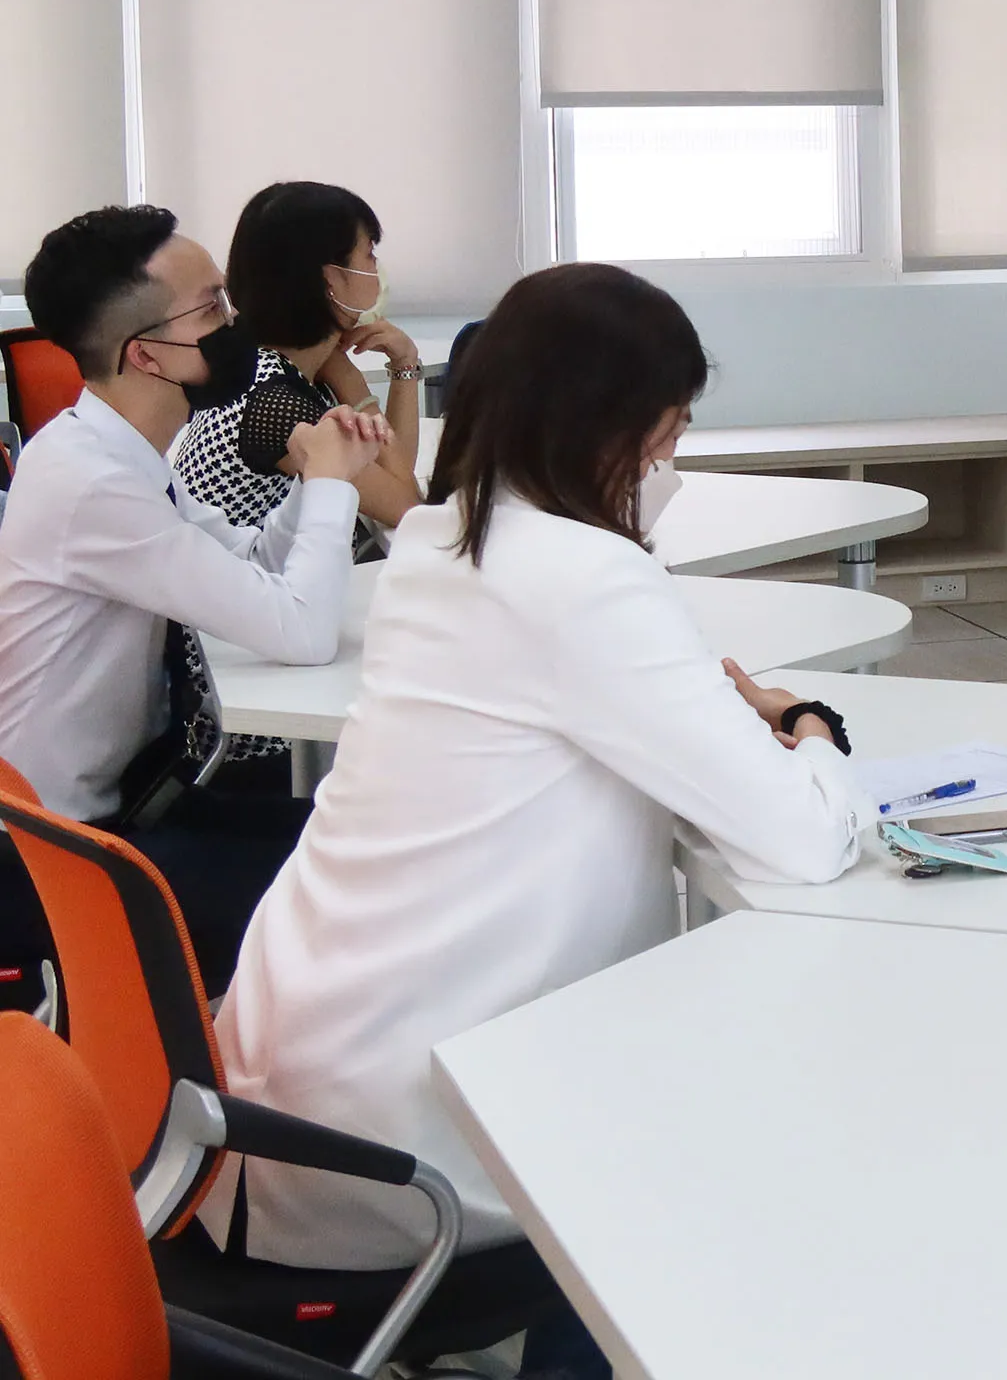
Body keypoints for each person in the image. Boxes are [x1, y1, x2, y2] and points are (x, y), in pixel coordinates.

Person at [210, 263, 867, 1380]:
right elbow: (802, 840)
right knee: (747, 1148)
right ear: (616, 427)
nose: (665, 464)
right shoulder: (585, 576)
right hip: (404, 1146)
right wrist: (809, 729)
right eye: (668, 434)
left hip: (292, 1084)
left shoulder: (438, 541)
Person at [0, 206, 383, 988]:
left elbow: (251, 566)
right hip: (60, 858)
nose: (236, 323)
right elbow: (302, 631)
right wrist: (330, 486)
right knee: (358, 897)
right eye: (211, 308)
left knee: (364, 847)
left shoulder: (118, 455)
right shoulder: (92, 485)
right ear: (146, 354)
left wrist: (313, 478)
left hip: (138, 804)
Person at [174, 182, 426, 539]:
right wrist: (352, 383)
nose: (376, 268)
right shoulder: (274, 402)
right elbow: (407, 507)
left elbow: (395, 471)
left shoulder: (264, 360)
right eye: (369, 253)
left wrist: (405, 364)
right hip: (251, 573)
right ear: (330, 278)